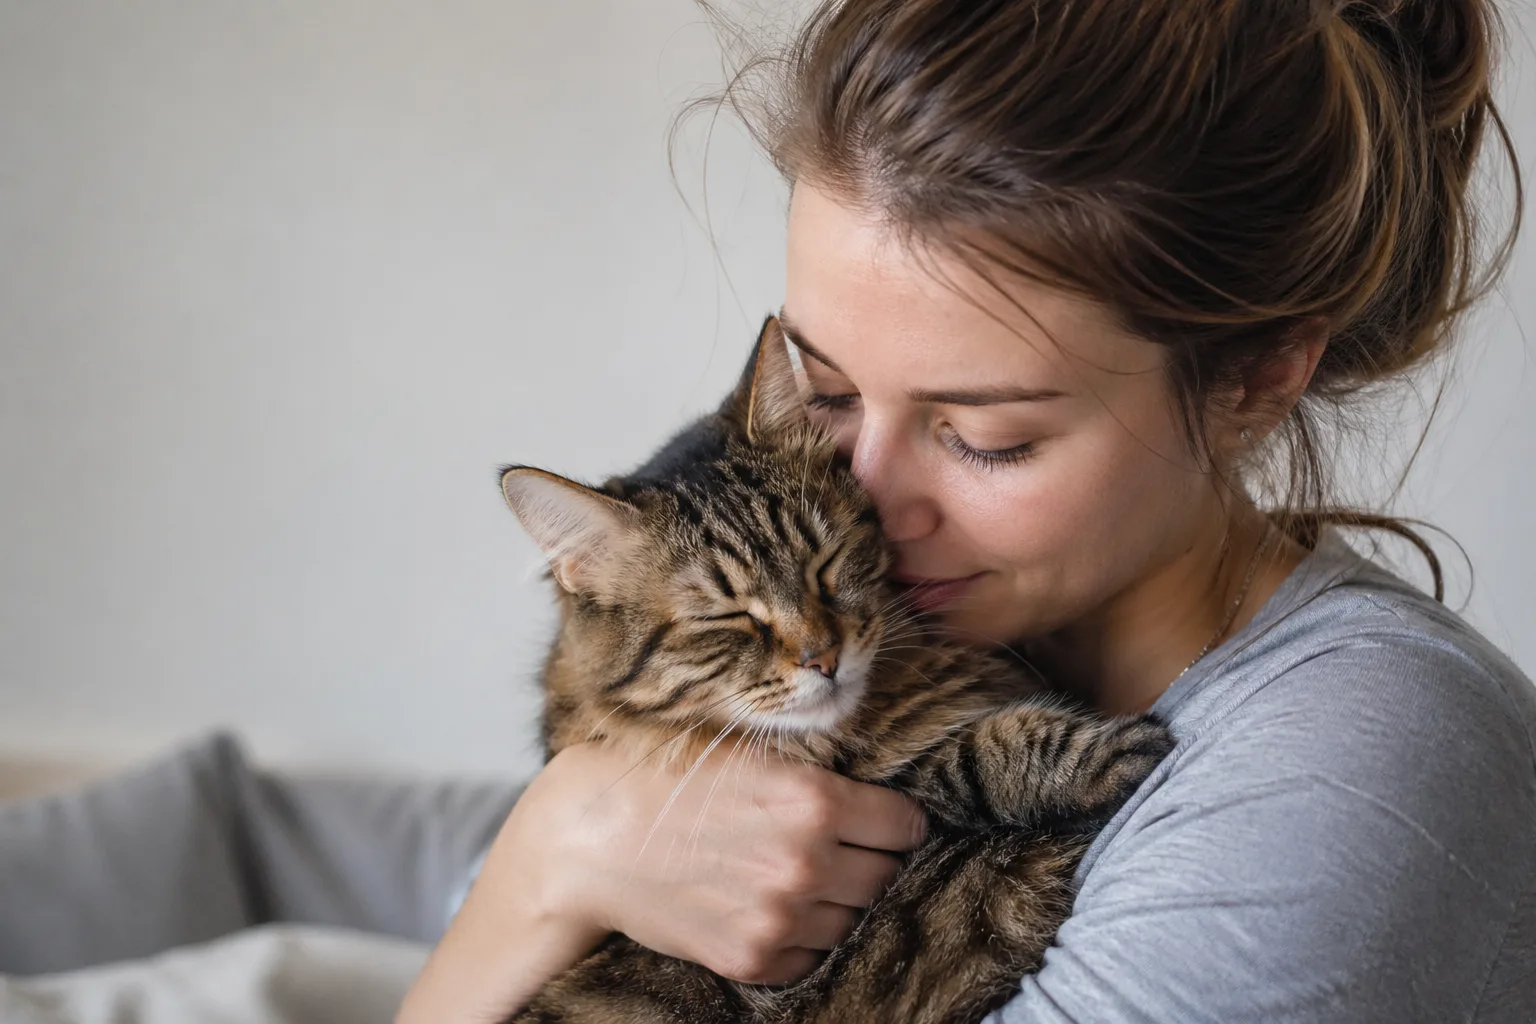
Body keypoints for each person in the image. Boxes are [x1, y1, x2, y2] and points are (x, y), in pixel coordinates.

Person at [399, 1, 1534, 1021]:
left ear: (1257, 378)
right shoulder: (884, 621)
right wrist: (548, 857)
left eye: (986, 436)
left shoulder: (1357, 766)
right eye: (830, 395)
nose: (868, 501)